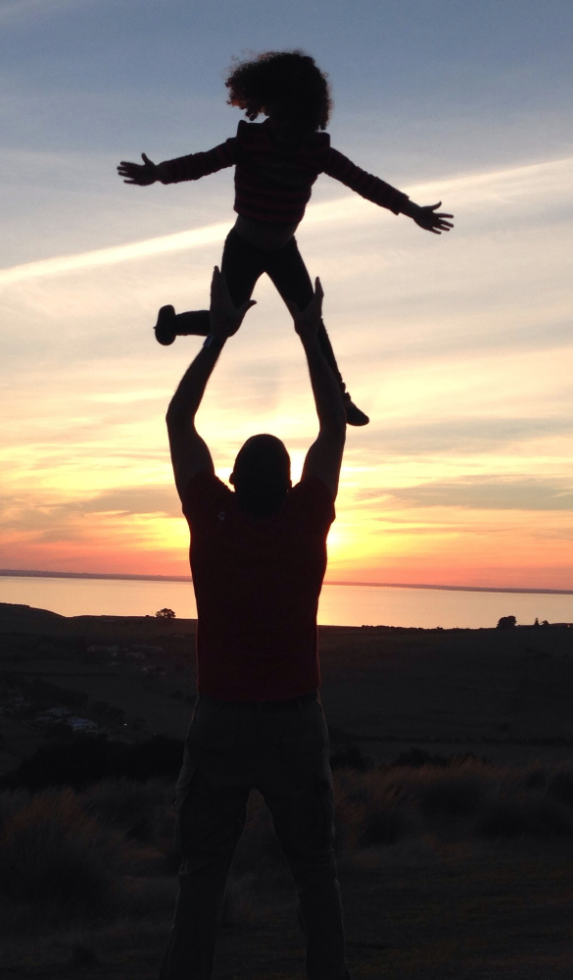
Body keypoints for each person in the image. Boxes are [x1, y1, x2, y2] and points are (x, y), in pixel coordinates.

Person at [158, 265, 351, 980]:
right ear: (292, 479)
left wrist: (218, 337)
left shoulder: (212, 520)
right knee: (316, 874)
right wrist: (309, 327)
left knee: (202, 877)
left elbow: (179, 422)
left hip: (222, 724)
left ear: (233, 481)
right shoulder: (308, 520)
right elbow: (333, 423)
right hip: (297, 723)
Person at [119, 49, 454, 427]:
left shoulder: (317, 151)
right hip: (243, 247)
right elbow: (201, 162)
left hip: (283, 250)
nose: (285, 127)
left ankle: (339, 400)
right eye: (278, 114)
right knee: (226, 323)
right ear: (265, 106)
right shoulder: (249, 141)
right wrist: (159, 173)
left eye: (294, 118)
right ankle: (173, 324)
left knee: (311, 320)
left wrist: (414, 212)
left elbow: (365, 183)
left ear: (308, 115)